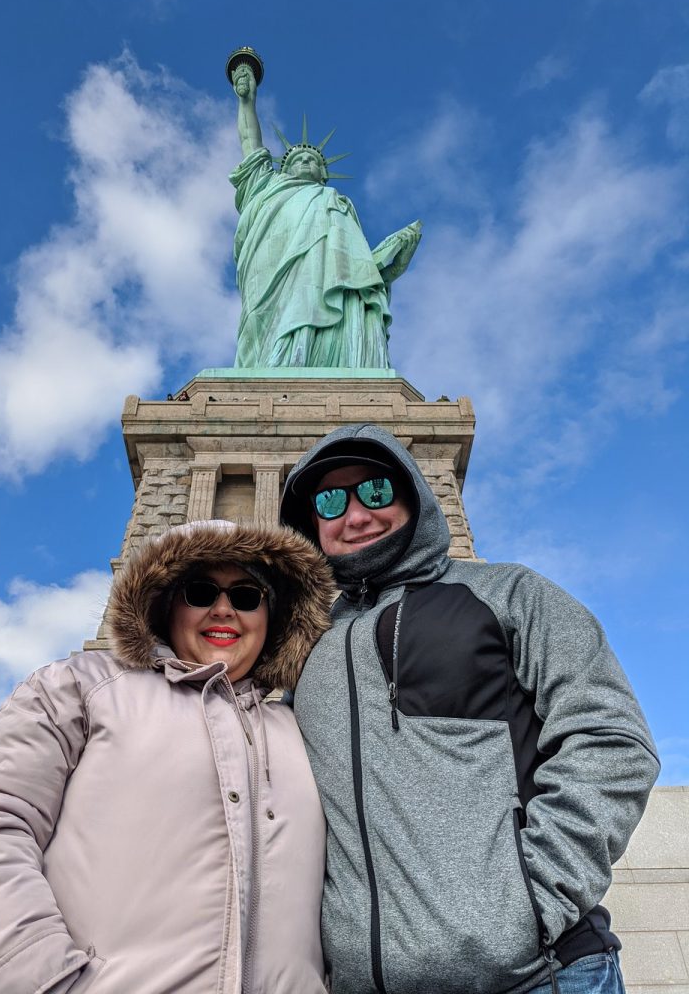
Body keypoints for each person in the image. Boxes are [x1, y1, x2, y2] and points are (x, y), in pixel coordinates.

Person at [279, 423, 660, 994]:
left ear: (414, 496)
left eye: (376, 491)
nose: (355, 515)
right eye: (331, 500)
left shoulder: (509, 593)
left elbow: (610, 741)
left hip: (541, 977)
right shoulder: (302, 646)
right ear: (312, 523)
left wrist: (531, 903)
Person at [0, 520, 334, 994]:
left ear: (274, 615)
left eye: (246, 596)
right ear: (165, 600)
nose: (224, 609)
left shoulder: (304, 729)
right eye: (200, 592)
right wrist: (41, 983)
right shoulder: (79, 687)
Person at [230, 59, 421, 369]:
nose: (306, 162)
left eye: (313, 160)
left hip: (328, 284)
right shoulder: (265, 186)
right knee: (266, 334)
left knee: (339, 309)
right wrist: (246, 100)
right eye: (298, 159)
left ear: (322, 173)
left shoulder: (336, 201)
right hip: (272, 281)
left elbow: (355, 272)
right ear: (285, 168)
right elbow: (250, 143)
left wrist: (388, 263)